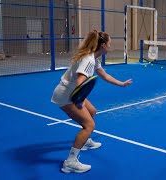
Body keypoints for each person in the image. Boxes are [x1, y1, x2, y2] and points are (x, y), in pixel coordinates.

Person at [51, 30, 132, 173]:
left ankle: (85, 142)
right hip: (66, 95)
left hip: (70, 91)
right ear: (102, 45)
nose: (110, 46)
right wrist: (79, 100)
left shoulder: (94, 58)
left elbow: (104, 75)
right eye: (109, 44)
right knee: (89, 125)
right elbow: (80, 82)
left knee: (93, 111)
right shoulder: (88, 60)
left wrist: (122, 84)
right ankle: (70, 162)